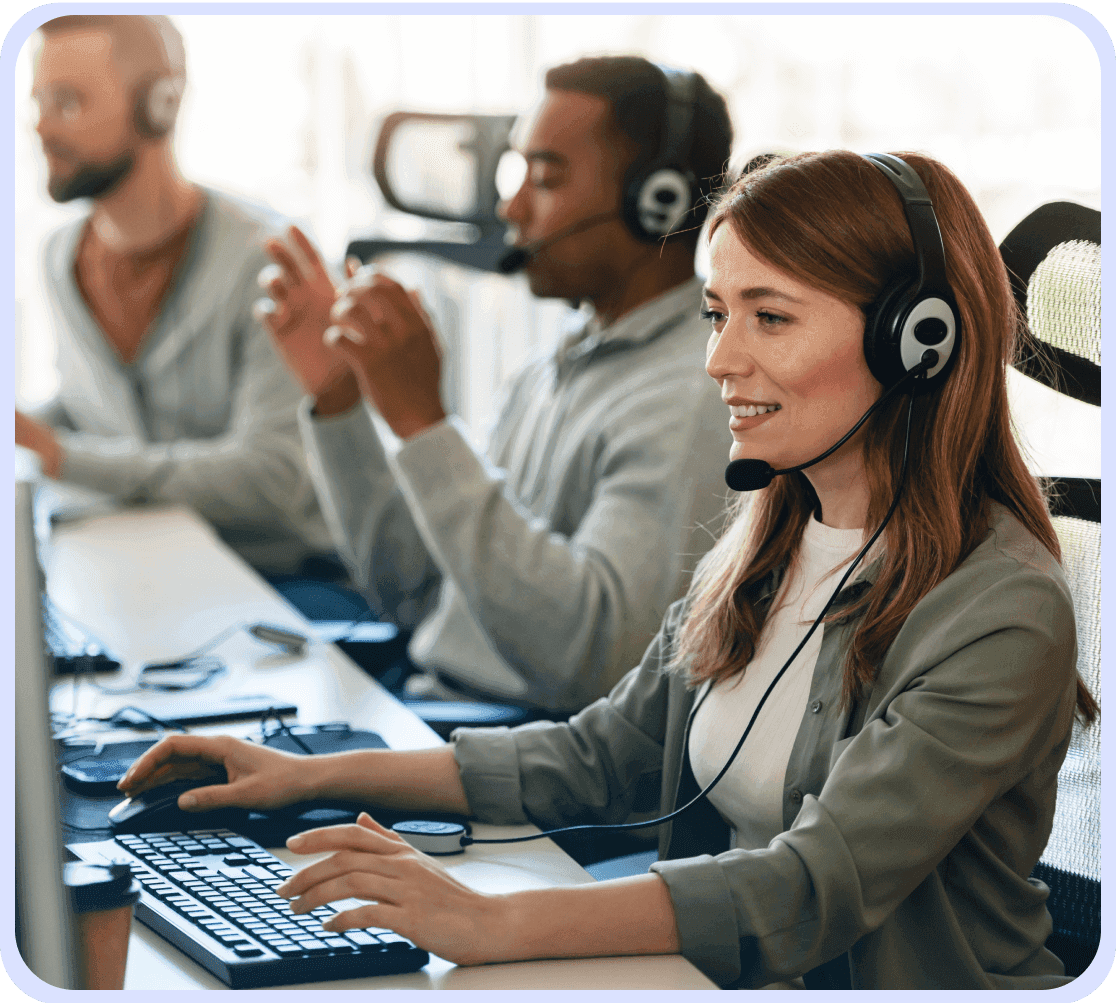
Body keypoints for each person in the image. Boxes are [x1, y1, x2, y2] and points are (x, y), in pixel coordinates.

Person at [120, 149, 1098, 989]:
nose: (718, 358)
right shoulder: (770, 537)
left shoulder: (1002, 606)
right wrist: (302, 776)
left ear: (916, 344)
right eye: (718, 312)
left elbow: (814, 884)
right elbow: (600, 758)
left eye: (771, 317)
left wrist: (492, 923)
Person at [255, 57, 735, 714]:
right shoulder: (551, 366)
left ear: (658, 201)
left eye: (545, 176)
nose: (511, 205)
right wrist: (340, 399)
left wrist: (425, 424)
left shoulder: (694, 394)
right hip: (432, 708)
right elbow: (416, 591)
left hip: (513, 753)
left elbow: (598, 664)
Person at [16, 15, 332, 576]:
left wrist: (60, 455)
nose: (39, 128)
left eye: (66, 103)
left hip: (281, 580)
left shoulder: (267, 261)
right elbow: (92, 408)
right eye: (38, 102)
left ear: (160, 105)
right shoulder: (60, 257)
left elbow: (271, 477)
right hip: (142, 561)